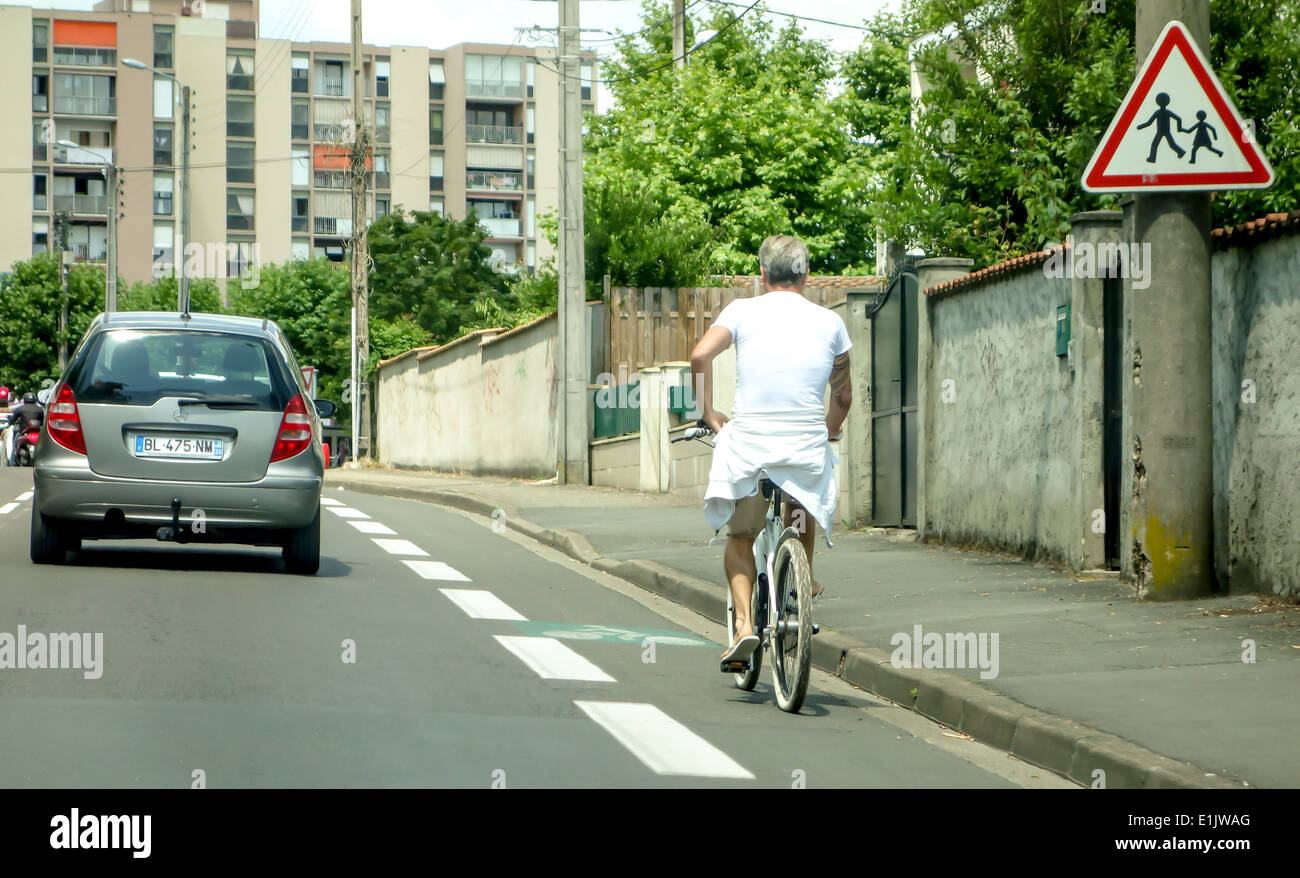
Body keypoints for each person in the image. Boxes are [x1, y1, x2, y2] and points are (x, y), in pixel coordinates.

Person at [689, 235, 853, 665]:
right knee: (802, 503)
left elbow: (700, 356)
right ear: (806, 274)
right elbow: (843, 398)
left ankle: (744, 625)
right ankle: (805, 578)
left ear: (762, 274)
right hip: (803, 447)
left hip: (751, 447)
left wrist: (707, 411)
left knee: (742, 534)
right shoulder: (830, 323)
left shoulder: (741, 311)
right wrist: (830, 432)